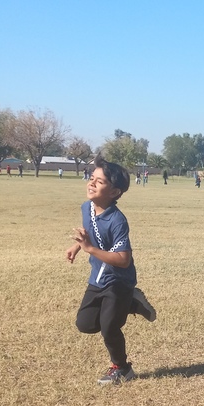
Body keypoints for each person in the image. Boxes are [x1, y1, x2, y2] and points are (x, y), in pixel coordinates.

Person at [65, 155, 156, 385]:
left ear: (114, 192)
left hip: (119, 281)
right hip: (97, 278)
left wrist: (89, 249)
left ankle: (122, 369)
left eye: (100, 182)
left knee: (109, 327)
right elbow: (89, 230)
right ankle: (133, 304)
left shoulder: (117, 220)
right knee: (84, 324)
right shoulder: (87, 207)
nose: (92, 183)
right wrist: (77, 245)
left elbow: (123, 259)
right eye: (92, 178)